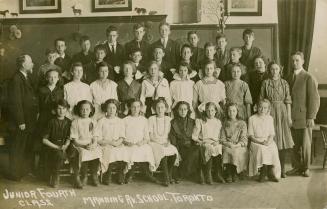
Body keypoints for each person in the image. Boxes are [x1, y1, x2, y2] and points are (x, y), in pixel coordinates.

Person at [286, 51, 320, 177]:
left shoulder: (308, 77)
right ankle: (296, 167)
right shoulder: (288, 78)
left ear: (303, 61)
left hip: (304, 117)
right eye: (293, 61)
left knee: (305, 144)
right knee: (294, 144)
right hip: (292, 117)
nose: (294, 63)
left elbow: (314, 99)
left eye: (297, 60)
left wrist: (311, 116)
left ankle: (306, 168)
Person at [260, 61, 294, 178]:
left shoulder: (284, 83)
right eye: (272, 69)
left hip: (282, 113)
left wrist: (289, 117)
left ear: (280, 70)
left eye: (277, 69)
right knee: (270, 140)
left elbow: (288, 101)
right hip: (269, 113)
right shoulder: (265, 83)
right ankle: (270, 170)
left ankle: (282, 169)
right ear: (269, 70)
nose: (274, 71)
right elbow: (261, 99)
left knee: (282, 142)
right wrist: (264, 116)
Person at [7, 54, 39, 181]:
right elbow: (16, 102)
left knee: (24, 146)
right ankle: (14, 174)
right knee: (17, 147)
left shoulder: (25, 77)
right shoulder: (16, 79)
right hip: (21, 121)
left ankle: (21, 171)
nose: (32, 64)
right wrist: (20, 121)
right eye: (30, 62)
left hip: (28, 120)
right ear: (23, 64)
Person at [123, 99, 158, 184]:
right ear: (130, 108)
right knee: (133, 150)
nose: (135, 109)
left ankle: (147, 174)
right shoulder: (125, 120)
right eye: (133, 107)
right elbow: (121, 135)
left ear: (140, 108)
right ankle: (130, 174)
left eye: (138, 107)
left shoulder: (144, 120)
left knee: (146, 150)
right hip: (128, 144)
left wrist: (142, 143)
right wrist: (127, 142)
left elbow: (146, 137)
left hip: (141, 143)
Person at [68, 100, 101, 189]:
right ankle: (84, 175)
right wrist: (83, 146)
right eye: (82, 109)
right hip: (79, 144)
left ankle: (94, 175)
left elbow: (95, 136)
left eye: (87, 109)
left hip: (90, 143)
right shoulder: (75, 122)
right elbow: (74, 140)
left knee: (97, 151)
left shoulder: (93, 121)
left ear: (91, 110)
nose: (85, 111)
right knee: (84, 153)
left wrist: (94, 144)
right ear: (79, 110)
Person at [96, 99, 129, 185]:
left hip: (117, 144)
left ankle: (120, 174)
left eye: (114, 108)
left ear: (116, 109)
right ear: (106, 109)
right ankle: (107, 174)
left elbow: (122, 136)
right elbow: (98, 138)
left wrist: (117, 143)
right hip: (104, 144)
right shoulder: (101, 121)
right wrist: (109, 142)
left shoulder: (120, 121)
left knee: (123, 151)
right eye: (109, 108)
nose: (111, 110)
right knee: (108, 151)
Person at [148, 98, 180, 186]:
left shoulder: (169, 119)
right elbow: (150, 135)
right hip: (154, 142)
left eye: (162, 107)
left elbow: (170, 134)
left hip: (166, 142)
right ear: (154, 109)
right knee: (162, 151)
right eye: (158, 107)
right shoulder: (151, 119)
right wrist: (158, 143)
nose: (160, 110)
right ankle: (166, 178)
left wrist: (169, 142)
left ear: (166, 109)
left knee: (173, 150)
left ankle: (169, 174)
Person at [248, 99, 280, 182]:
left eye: (265, 108)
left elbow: (272, 134)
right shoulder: (252, 118)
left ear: (268, 109)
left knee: (272, 147)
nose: (262, 110)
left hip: (267, 140)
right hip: (256, 141)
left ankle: (270, 171)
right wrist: (260, 142)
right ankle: (264, 170)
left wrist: (268, 142)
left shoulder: (270, 118)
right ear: (257, 107)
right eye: (260, 107)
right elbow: (250, 136)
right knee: (262, 149)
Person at [192, 102, 224, 184]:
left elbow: (220, 136)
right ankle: (208, 173)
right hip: (203, 142)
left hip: (215, 142)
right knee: (209, 147)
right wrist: (201, 142)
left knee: (218, 147)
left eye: (212, 110)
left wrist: (217, 142)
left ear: (215, 111)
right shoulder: (200, 121)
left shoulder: (218, 122)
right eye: (208, 110)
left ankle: (217, 173)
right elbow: (194, 136)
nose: (210, 113)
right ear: (205, 111)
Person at [42, 99, 71, 188]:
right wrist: (57, 147)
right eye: (59, 108)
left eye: (63, 108)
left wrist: (65, 145)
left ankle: (76, 176)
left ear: (66, 110)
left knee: (75, 151)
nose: (61, 111)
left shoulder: (69, 122)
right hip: (52, 145)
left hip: (65, 144)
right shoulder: (51, 121)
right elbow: (44, 140)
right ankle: (56, 176)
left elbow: (69, 137)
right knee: (59, 154)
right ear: (55, 110)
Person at [169, 101, 199, 181]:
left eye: (185, 109)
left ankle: (183, 173)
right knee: (184, 153)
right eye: (180, 109)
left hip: (190, 145)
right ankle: (184, 174)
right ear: (177, 110)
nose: (183, 111)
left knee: (197, 150)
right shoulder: (173, 122)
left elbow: (195, 136)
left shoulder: (193, 121)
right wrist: (177, 151)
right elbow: (173, 139)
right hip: (179, 146)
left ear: (188, 110)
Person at [220, 103, 248, 183]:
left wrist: (237, 145)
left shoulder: (242, 123)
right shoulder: (224, 123)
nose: (231, 113)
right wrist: (227, 144)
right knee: (227, 150)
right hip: (227, 144)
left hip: (239, 144)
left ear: (237, 112)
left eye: (233, 111)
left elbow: (244, 138)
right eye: (229, 111)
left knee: (236, 151)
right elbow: (222, 138)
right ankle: (229, 172)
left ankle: (235, 172)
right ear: (227, 112)